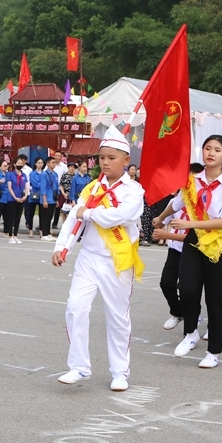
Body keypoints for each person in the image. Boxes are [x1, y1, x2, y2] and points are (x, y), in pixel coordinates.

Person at [52, 127, 144, 391]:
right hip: (89, 258)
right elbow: (73, 217)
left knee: (117, 317)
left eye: (112, 157)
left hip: (118, 260)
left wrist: (89, 213)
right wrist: (61, 246)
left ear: (126, 160)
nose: (105, 162)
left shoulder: (134, 190)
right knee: (75, 307)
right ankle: (79, 367)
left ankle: (120, 372)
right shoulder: (92, 188)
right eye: (102, 157)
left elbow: (121, 216)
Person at [153, 135, 222, 369]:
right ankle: (191, 332)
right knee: (188, 289)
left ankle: (213, 351)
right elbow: (178, 203)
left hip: (218, 244)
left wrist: (190, 225)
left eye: (217, 150)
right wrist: (161, 218)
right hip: (193, 240)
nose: (211, 153)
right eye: (207, 148)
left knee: (215, 297)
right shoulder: (192, 180)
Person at [154, 163, 205, 331]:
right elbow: (163, 220)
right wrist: (159, 221)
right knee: (166, 283)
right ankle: (178, 312)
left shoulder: (202, 203)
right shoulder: (177, 199)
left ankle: (192, 323)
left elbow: (195, 236)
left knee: (189, 288)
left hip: (194, 250)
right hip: (175, 249)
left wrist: (167, 235)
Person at [5, 157, 28, 244]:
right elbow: (10, 187)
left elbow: (26, 186)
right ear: (14, 164)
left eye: (21, 164)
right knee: (11, 218)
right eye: (18, 163)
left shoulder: (24, 175)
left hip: (21, 198)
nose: (20, 165)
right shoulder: (10, 175)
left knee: (18, 217)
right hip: (12, 199)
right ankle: (10, 236)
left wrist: (25, 196)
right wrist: (15, 197)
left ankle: (15, 235)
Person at [39, 156, 58, 241]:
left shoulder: (55, 174)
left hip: (53, 198)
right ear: (48, 163)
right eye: (52, 162)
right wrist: (44, 200)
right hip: (47, 198)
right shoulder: (44, 174)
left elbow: (56, 187)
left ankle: (48, 232)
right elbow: (43, 188)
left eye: (55, 162)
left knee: (50, 216)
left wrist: (57, 199)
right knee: (45, 217)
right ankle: (44, 234)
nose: (54, 164)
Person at [26, 157, 45, 238]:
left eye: (41, 163)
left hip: (42, 196)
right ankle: (30, 231)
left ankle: (41, 231)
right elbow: (35, 184)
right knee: (31, 214)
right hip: (33, 195)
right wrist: (43, 185)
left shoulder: (45, 173)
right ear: (35, 164)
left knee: (42, 215)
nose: (40, 164)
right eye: (39, 163)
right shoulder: (32, 173)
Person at [52, 151, 68, 229]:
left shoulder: (64, 166)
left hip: (60, 189)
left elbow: (67, 176)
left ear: (61, 157)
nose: (57, 157)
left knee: (58, 207)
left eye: (59, 156)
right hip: (51, 189)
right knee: (50, 206)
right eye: (56, 155)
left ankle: (55, 223)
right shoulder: (51, 164)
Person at [58, 162, 75, 227]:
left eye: (73, 167)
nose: (72, 168)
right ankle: (64, 225)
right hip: (64, 194)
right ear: (68, 167)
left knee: (70, 211)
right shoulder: (64, 175)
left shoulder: (75, 176)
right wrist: (63, 193)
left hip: (72, 195)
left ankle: (69, 226)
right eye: (71, 167)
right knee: (63, 211)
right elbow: (61, 185)